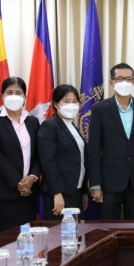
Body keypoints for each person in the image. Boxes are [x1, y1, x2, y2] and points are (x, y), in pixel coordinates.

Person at [88, 63, 134, 220]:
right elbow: (94, 149)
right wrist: (95, 184)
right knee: (109, 227)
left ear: (133, 82)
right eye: (119, 79)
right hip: (109, 182)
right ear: (112, 82)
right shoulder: (99, 109)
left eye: (128, 79)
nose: (124, 82)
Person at [0, 77, 42, 235]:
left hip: (29, 193)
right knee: (4, 240)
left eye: (18, 93)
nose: (14, 96)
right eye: (10, 92)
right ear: (2, 95)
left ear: (25, 96)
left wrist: (32, 178)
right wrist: (19, 182)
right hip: (4, 193)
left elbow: (39, 153)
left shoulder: (33, 122)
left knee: (27, 240)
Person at [38, 84, 88, 220]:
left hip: (75, 191)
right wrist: (57, 192)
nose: (71, 105)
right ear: (56, 104)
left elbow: (80, 160)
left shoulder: (72, 126)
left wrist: (83, 191)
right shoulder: (50, 125)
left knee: (74, 230)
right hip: (59, 192)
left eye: (75, 101)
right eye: (66, 101)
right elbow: (48, 162)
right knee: (60, 231)